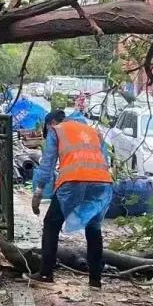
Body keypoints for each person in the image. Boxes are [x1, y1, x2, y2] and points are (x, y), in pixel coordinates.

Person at [31, 104, 113, 287]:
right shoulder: (93, 132)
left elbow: (48, 163)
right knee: (93, 228)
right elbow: (105, 161)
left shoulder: (57, 130)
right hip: (102, 183)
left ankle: (46, 273)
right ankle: (95, 280)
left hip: (73, 182)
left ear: (51, 123)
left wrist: (39, 190)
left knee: (51, 224)